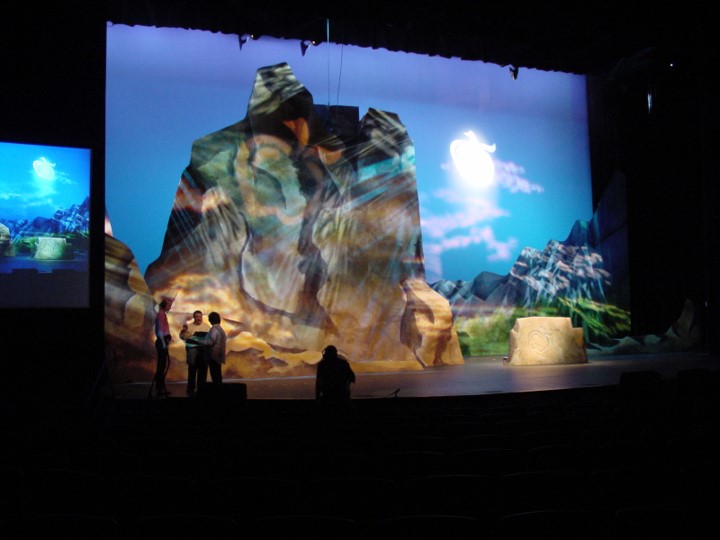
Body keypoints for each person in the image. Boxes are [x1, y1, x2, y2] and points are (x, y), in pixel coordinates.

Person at [179, 310, 211, 395]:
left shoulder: (207, 327)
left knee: (202, 372)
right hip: (192, 353)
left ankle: (201, 389)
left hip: (203, 353)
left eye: (200, 316)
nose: (198, 318)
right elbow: (183, 337)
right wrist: (183, 331)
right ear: (194, 317)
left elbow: (210, 340)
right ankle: (190, 388)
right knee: (192, 371)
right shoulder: (189, 326)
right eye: (197, 317)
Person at [315, 345, 356, 411]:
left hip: (327, 397)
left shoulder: (322, 365)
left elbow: (318, 383)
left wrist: (317, 398)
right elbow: (352, 378)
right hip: (342, 397)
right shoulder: (343, 363)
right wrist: (347, 391)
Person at [153, 298, 172, 397]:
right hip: (161, 341)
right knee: (161, 365)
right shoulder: (160, 314)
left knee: (163, 365)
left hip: (163, 340)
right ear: (164, 306)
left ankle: (160, 387)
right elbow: (160, 330)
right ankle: (159, 387)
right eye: (169, 305)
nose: (170, 307)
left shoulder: (163, 314)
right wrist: (163, 342)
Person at [204, 312, 227, 384]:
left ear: (211, 320)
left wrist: (200, 341)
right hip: (219, 355)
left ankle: (217, 392)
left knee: (215, 375)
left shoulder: (213, 329)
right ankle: (219, 391)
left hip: (213, 356)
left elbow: (210, 342)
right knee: (218, 375)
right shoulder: (221, 329)